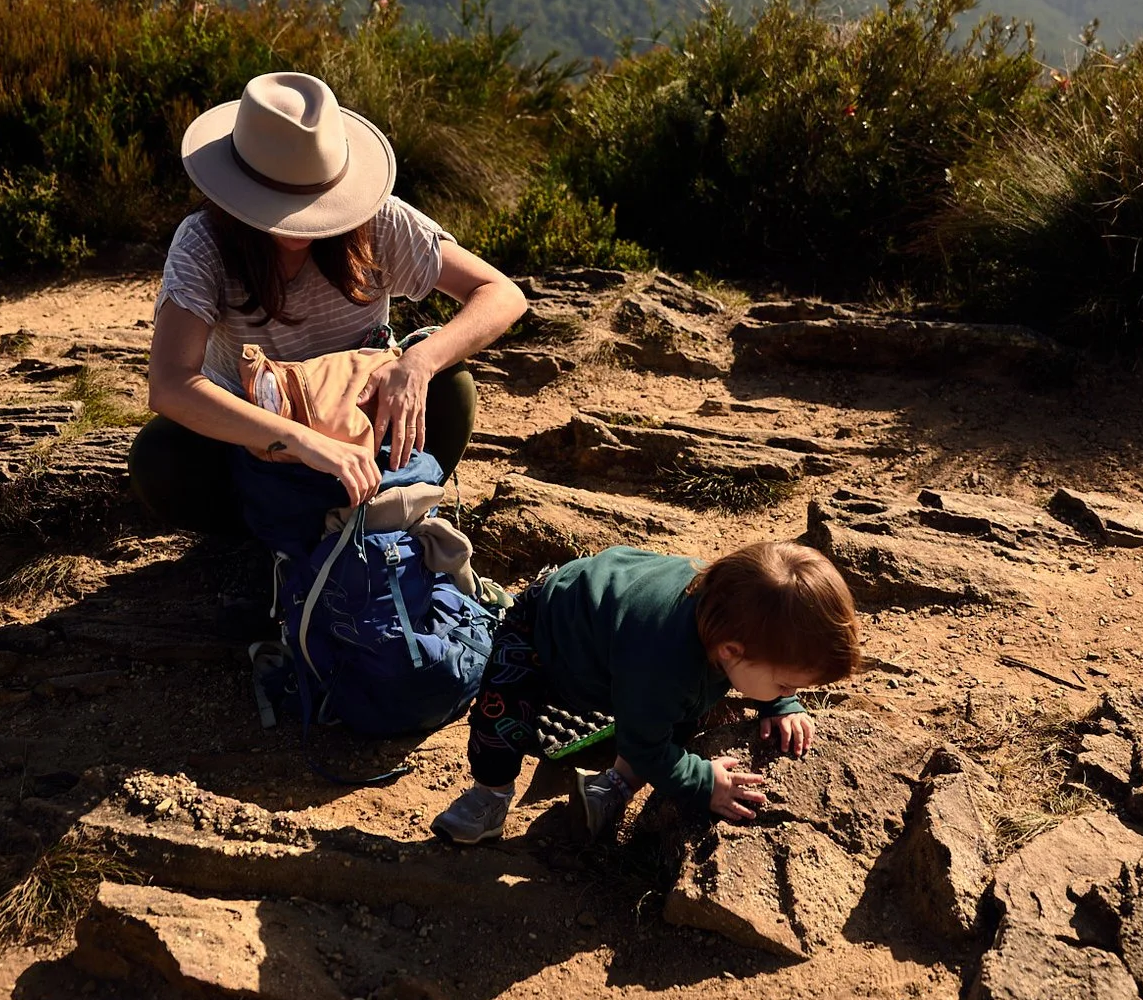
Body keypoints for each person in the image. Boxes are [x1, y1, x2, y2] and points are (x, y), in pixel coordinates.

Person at [131, 70, 529, 546]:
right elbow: (171, 384)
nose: (297, 222)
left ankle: (381, 512)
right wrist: (300, 440)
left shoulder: (379, 222)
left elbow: (502, 293)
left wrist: (418, 363)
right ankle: (277, 530)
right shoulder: (204, 242)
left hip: (361, 420)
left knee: (451, 387)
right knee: (160, 458)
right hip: (257, 438)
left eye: (311, 200)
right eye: (279, 202)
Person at [432, 540, 862, 845]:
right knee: (501, 713)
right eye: (786, 685)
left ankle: (612, 786)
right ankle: (489, 796)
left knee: (680, 710)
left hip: (622, 640)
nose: (791, 693)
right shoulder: (664, 661)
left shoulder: (731, 616)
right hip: (548, 629)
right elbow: (646, 745)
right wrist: (703, 781)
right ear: (732, 650)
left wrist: (780, 701)